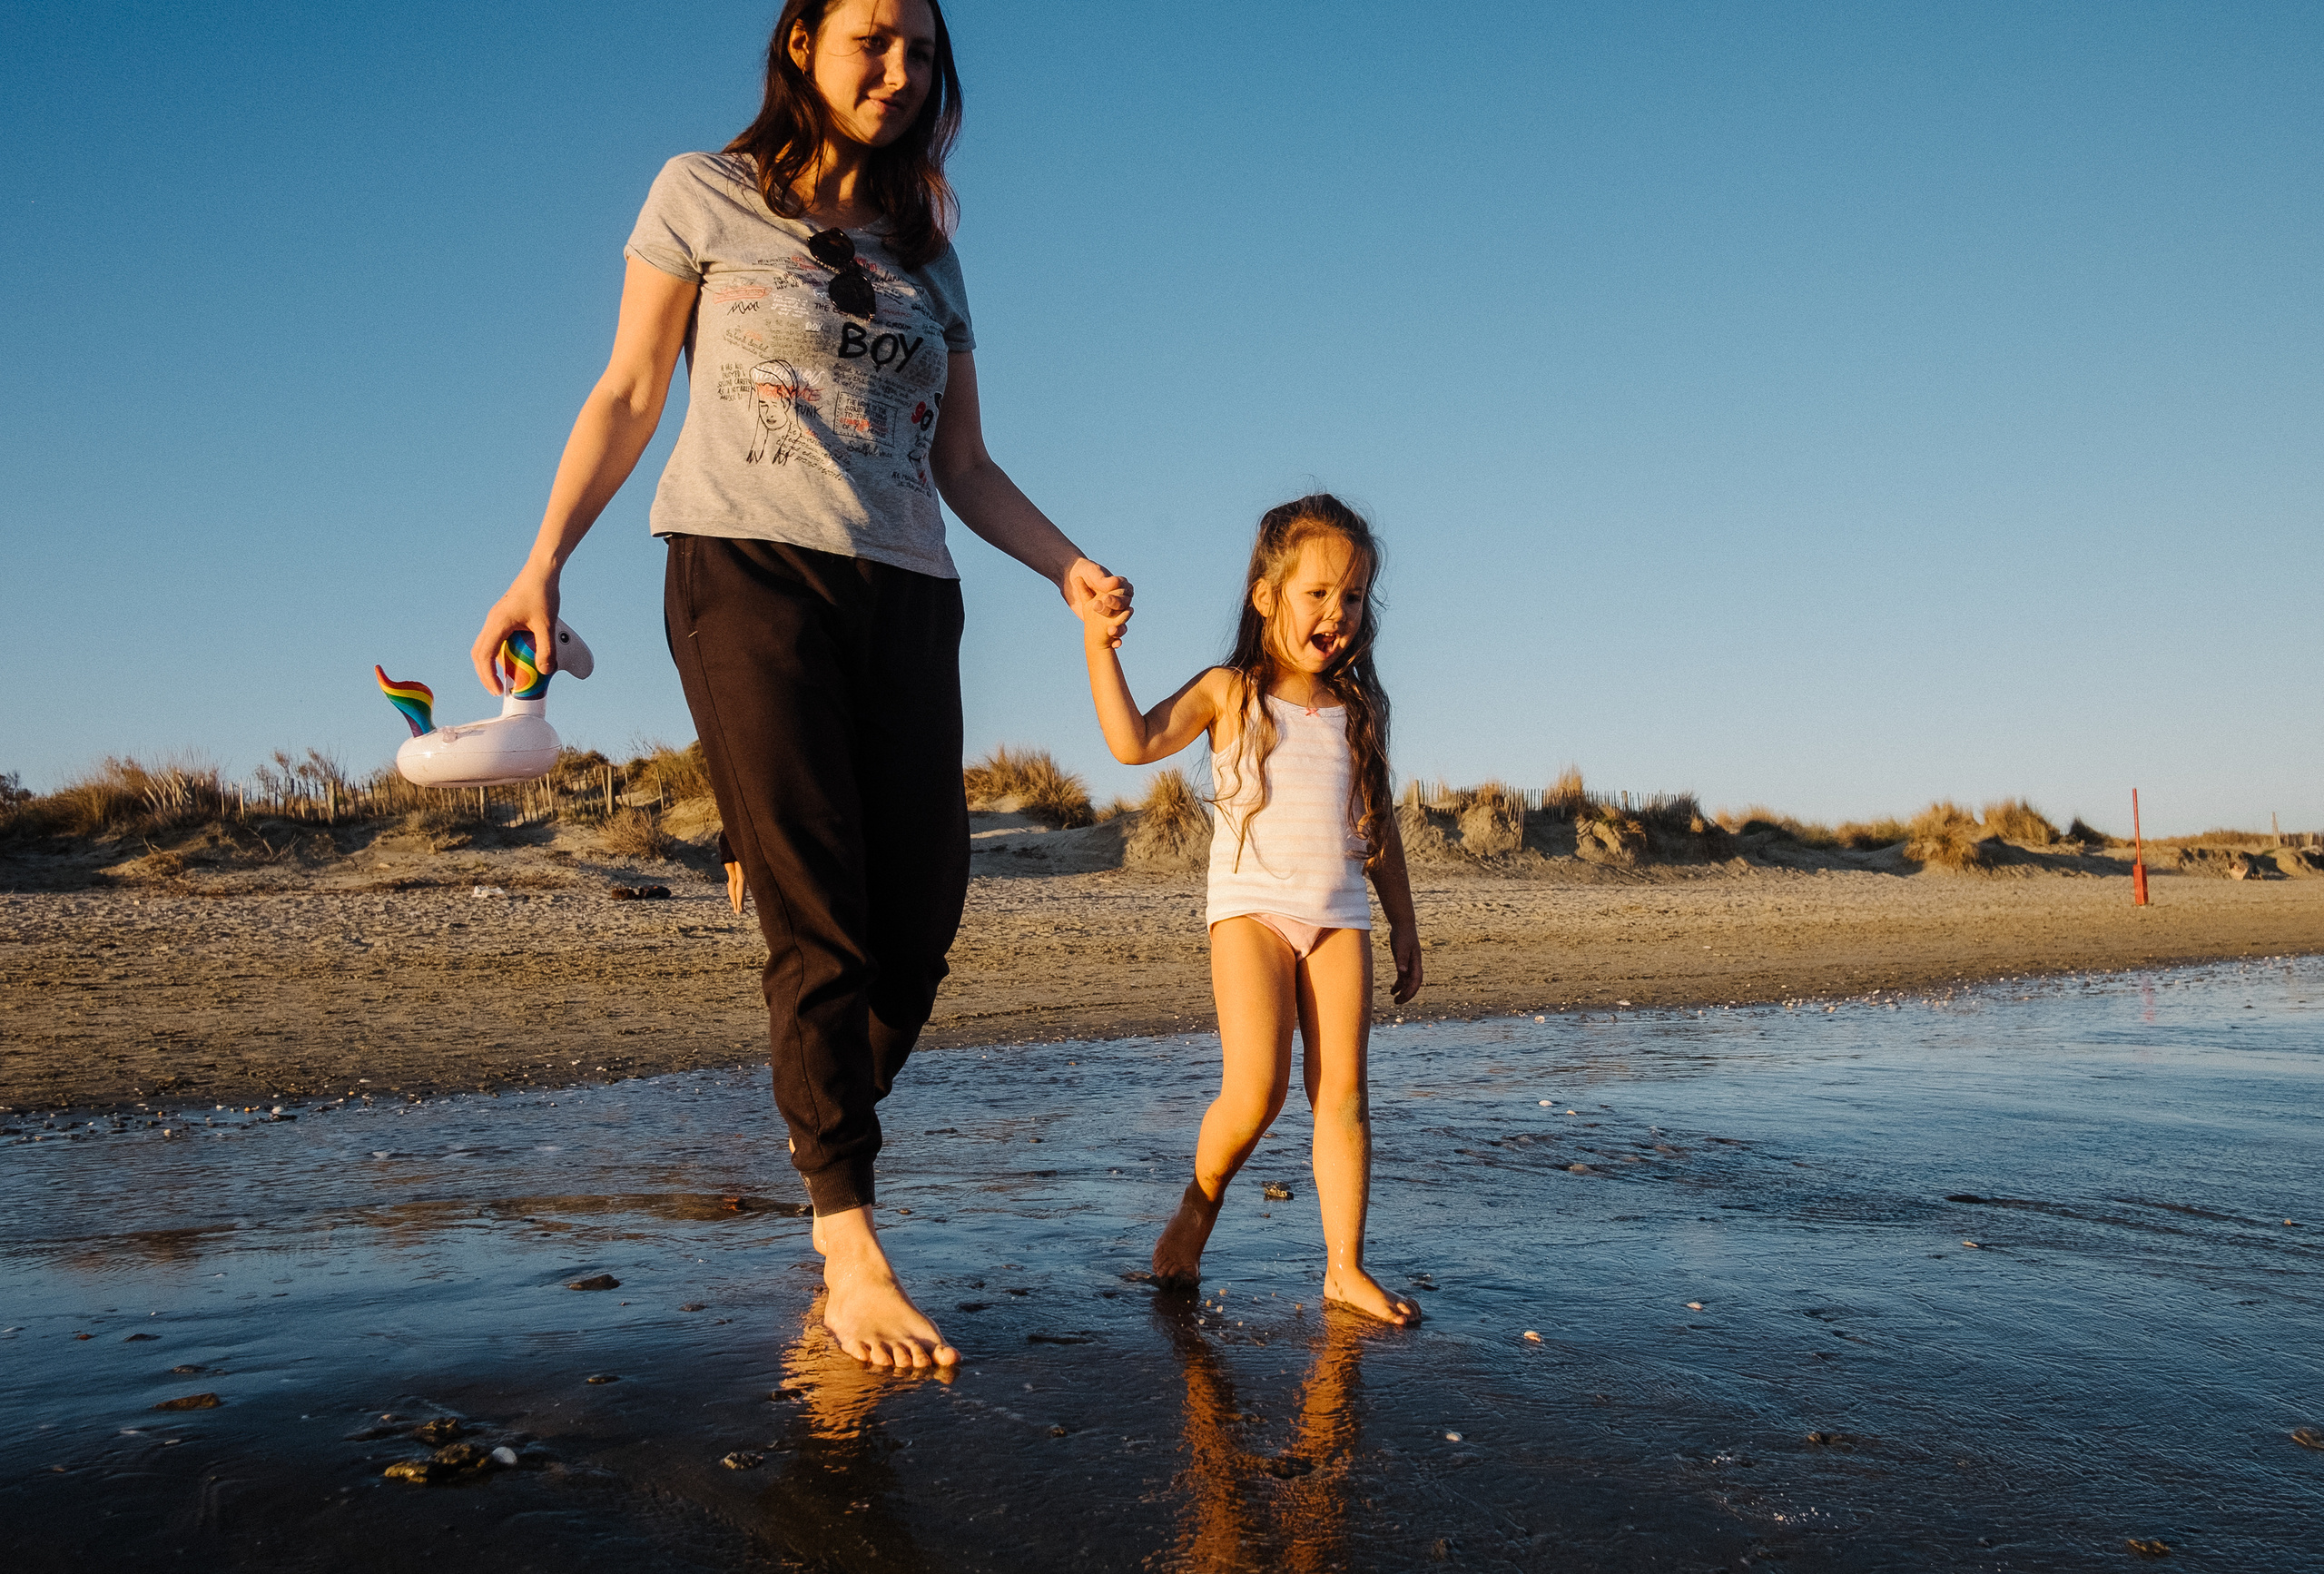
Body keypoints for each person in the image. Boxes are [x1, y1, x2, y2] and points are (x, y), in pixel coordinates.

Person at [469, 0, 1128, 1370]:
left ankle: (812, 1096)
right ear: (801, 47)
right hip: (745, 569)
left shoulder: (930, 254)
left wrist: (1067, 567)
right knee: (821, 922)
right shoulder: (702, 193)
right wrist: (540, 566)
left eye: (923, 51)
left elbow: (964, 465)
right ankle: (850, 1243)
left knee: (925, 920)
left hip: (910, 590)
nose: (898, 71)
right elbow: (630, 390)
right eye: (872, 39)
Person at [1078, 495, 1423, 1324]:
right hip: (1251, 912)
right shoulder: (1227, 693)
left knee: (1342, 1098)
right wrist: (1100, 647)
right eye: (1317, 593)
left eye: (1351, 598)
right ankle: (1199, 1205)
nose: (1335, 615)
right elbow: (1131, 743)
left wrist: (1405, 922)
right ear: (1266, 593)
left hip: (1340, 913)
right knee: (1256, 1091)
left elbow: (1379, 831)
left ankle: (1344, 1267)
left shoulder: (1359, 713)